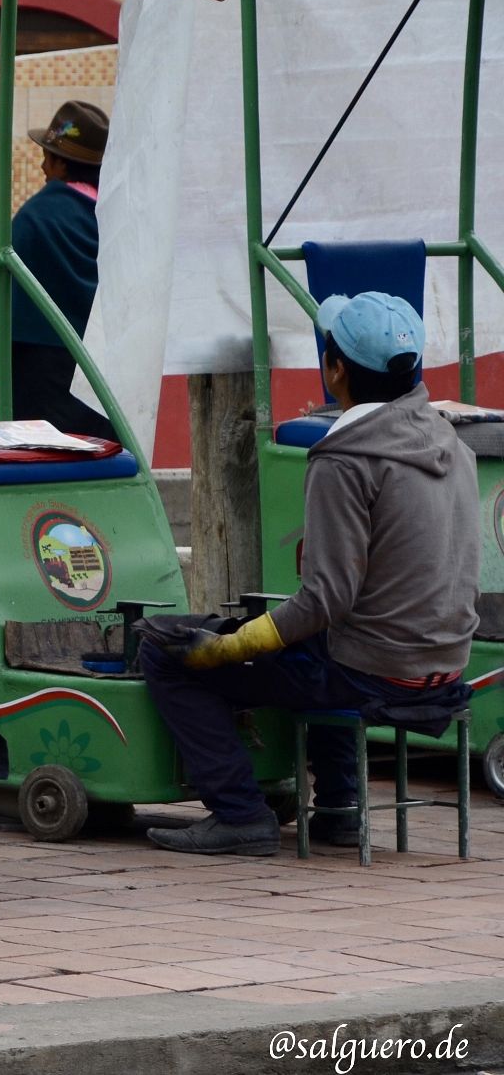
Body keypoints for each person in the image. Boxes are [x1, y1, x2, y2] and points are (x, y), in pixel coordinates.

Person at [142, 294, 477, 857]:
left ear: (336, 369)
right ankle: (339, 809)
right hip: (444, 663)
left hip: (376, 671)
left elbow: (325, 599)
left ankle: (240, 812)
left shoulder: (343, 458)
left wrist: (231, 645)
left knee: (164, 649)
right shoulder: (452, 442)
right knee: (318, 642)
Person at [0, 100, 115, 440]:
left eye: (48, 158)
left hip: (41, 371)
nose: (42, 166)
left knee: (46, 457)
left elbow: (7, 281)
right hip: (104, 369)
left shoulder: (37, 217)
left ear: (63, 167)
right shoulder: (118, 215)